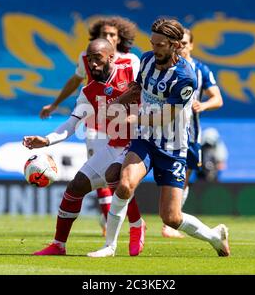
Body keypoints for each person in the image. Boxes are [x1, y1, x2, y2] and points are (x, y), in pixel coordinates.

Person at [88, 18, 230, 258]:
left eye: (160, 44)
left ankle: (214, 236)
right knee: (124, 184)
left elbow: (166, 117)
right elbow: (136, 89)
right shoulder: (146, 60)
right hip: (144, 139)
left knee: (171, 218)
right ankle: (109, 246)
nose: (155, 48)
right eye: (153, 43)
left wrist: (131, 120)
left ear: (175, 45)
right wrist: (114, 105)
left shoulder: (186, 77)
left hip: (172, 148)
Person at [23, 39, 146, 256]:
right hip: (114, 144)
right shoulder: (89, 92)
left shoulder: (131, 70)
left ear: (111, 57)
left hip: (139, 143)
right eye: (89, 60)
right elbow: (71, 124)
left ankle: (136, 226)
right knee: (75, 187)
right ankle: (58, 245)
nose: (93, 65)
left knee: (116, 177)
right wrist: (47, 140)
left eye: (97, 59)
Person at [40, 17, 140, 235]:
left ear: (119, 39)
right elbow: (76, 81)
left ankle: (134, 223)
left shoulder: (130, 62)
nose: (108, 38)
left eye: (112, 35)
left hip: (128, 127)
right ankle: (109, 222)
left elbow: (142, 91)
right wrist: (55, 105)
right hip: (94, 119)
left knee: (117, 177)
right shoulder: (87, 58)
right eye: (104, 34)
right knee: (101, 175)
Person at [161, 28, 224, 238]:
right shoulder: (164, 66)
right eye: (179, 43)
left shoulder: (201, 70)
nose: (182, 46)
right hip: (160, 131)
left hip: (189, 136)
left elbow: (218, 98)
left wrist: (203, 106)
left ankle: (171, 221)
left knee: (182, 180)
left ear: (192, 45)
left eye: (186, 43)